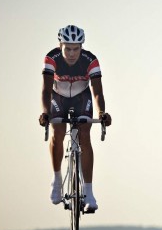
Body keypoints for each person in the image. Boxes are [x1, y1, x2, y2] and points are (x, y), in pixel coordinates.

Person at [39, 25, 112, 212]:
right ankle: (56, 180)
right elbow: (46, 90)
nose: (72, 53)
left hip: (82, 97)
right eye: (67, 48)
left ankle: (88, 193)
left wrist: (102, 113)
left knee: (85, 135)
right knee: (58, 132)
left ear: (81, 47)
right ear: (60, 45)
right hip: (58, 97)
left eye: (76, 48)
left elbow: (97, 92)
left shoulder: (90, 60)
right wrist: (46, 113)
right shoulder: (51, 58)